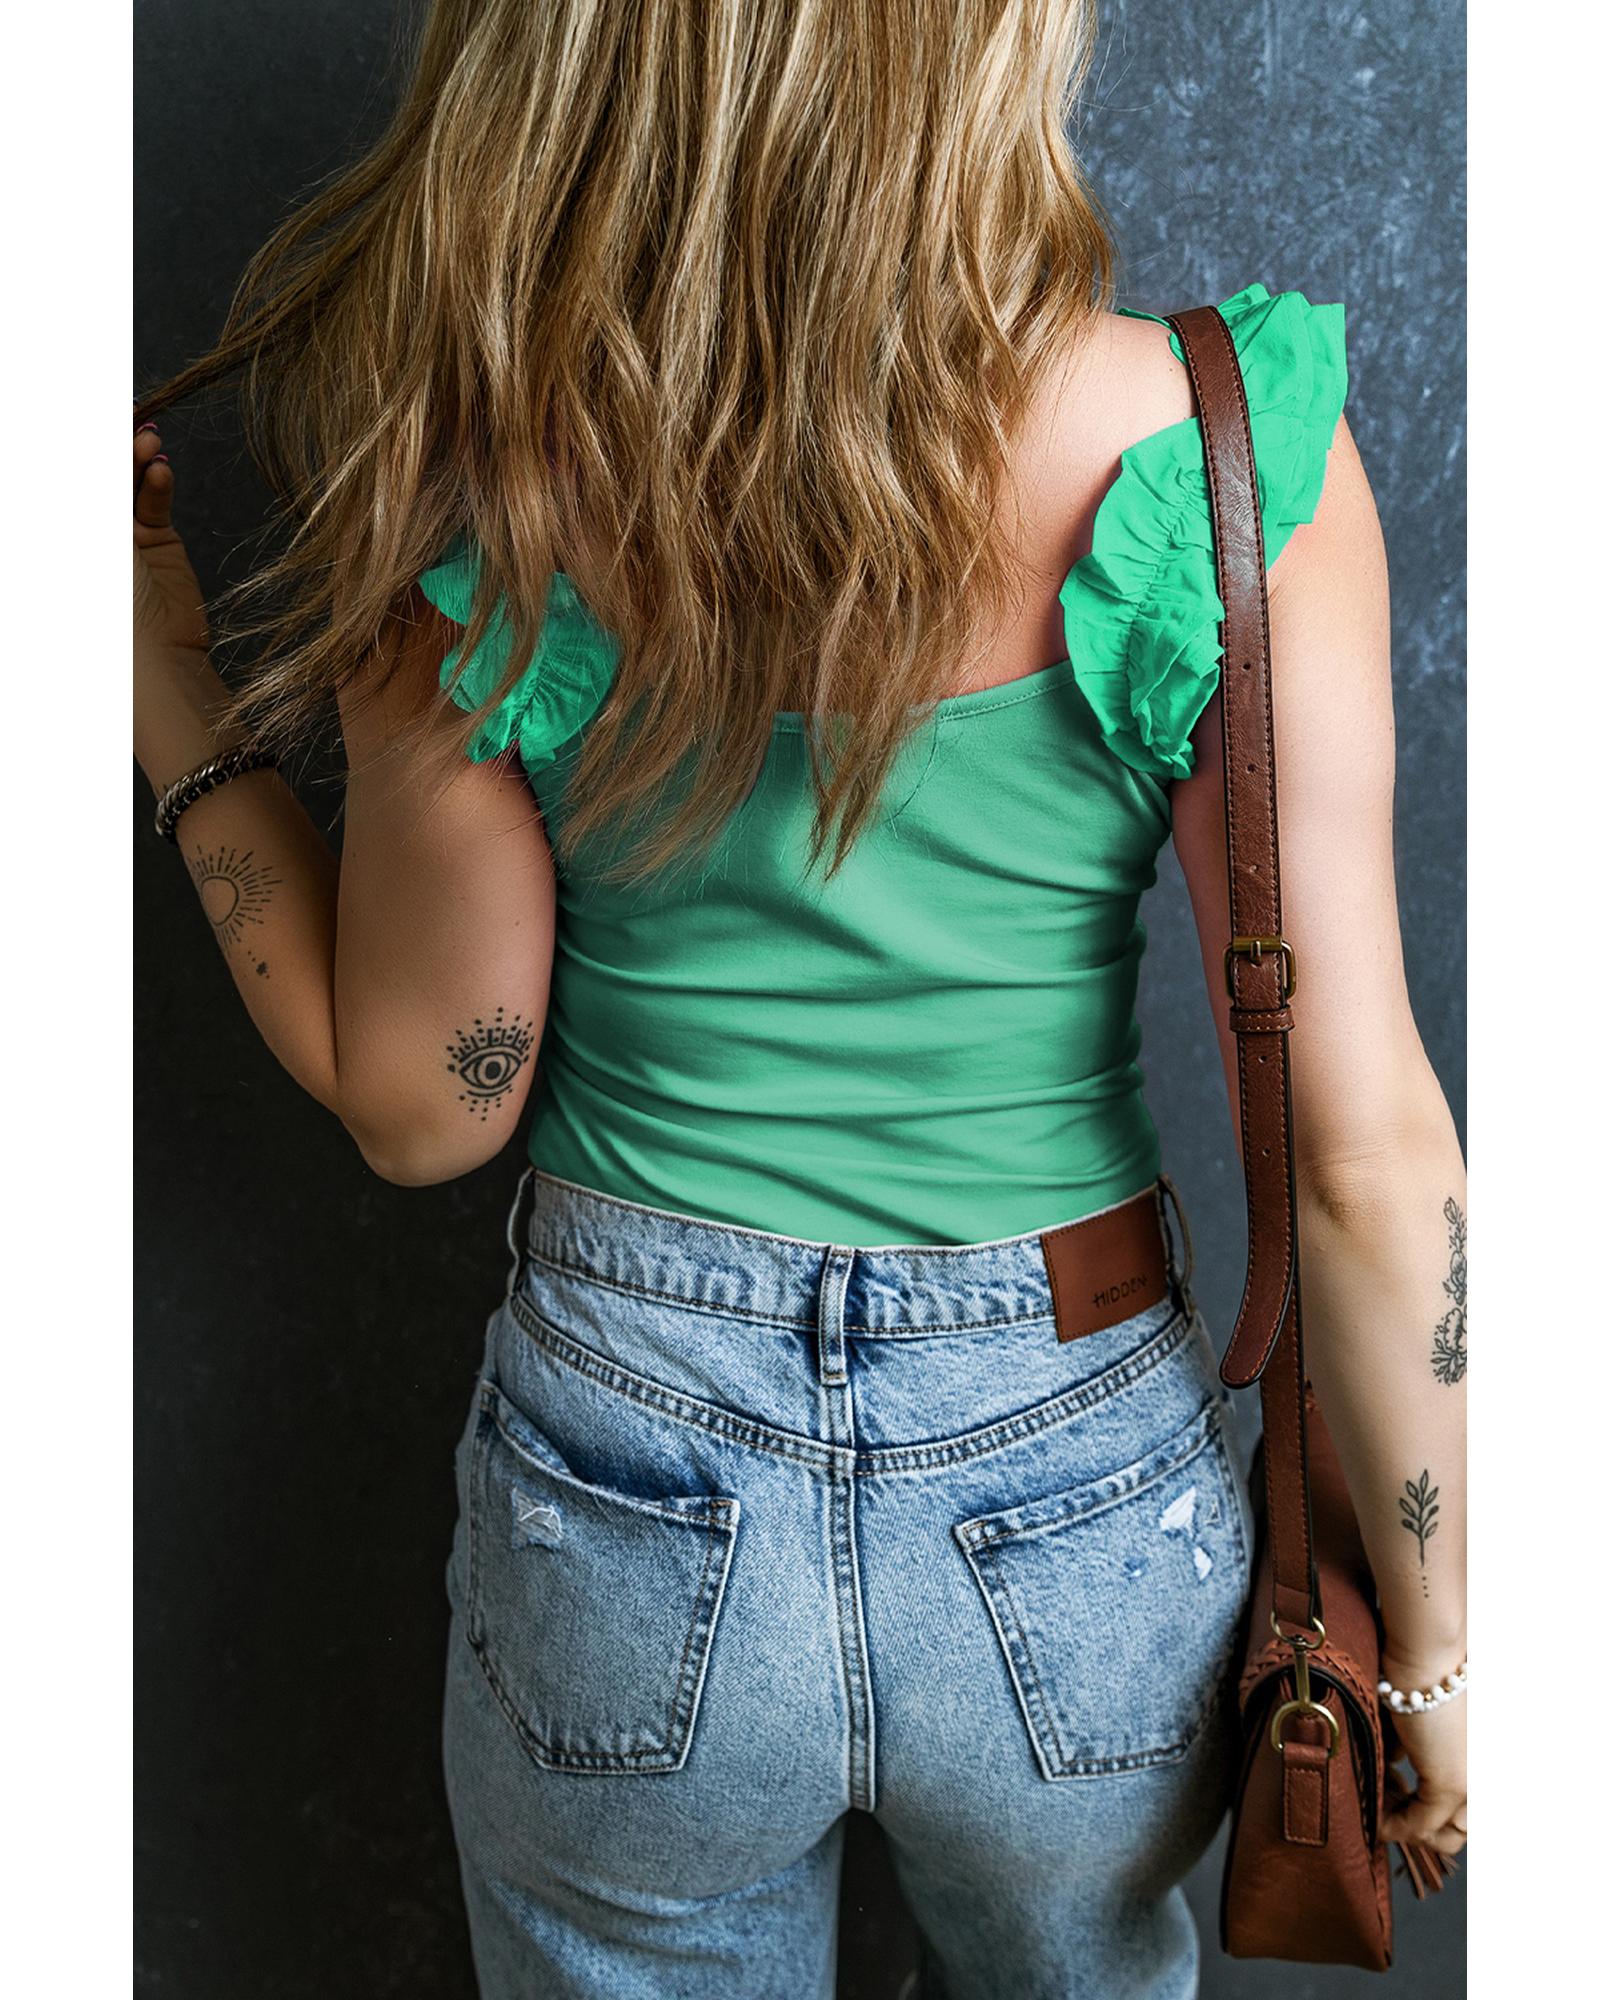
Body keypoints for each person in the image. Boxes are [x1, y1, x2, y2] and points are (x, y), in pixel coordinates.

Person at [133, 3, 1465, 1993]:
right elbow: (1363, 1158)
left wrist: (161, 674)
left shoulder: (478, 486)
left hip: (627, 1485)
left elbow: (423, 1103)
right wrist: (1436, 1651)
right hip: (1072, 1475)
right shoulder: (1217, 456)